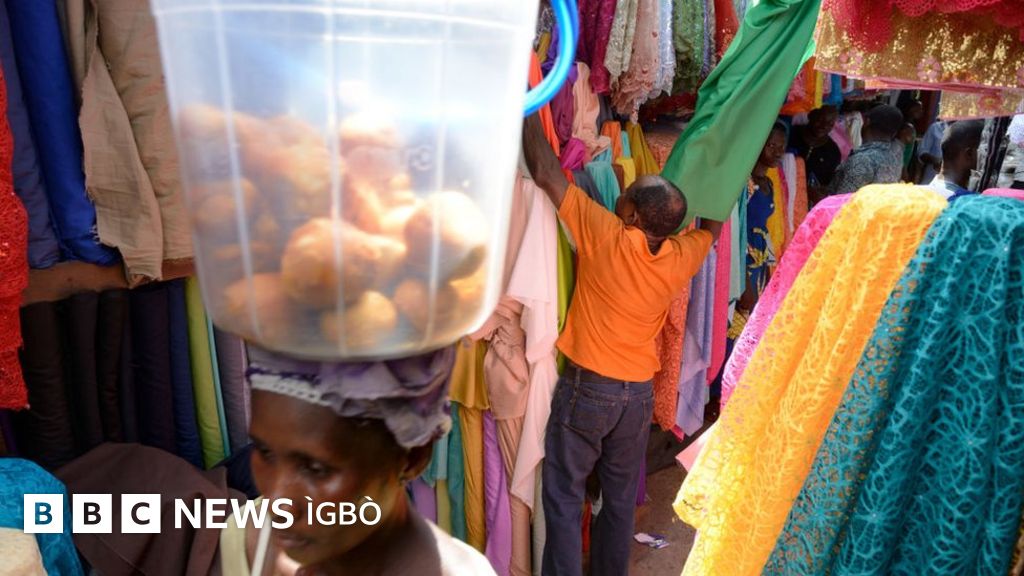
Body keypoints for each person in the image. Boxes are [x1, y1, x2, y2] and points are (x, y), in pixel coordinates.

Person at [521, 113, 721, 576]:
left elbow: (546, 171)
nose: (620, 197)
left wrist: (529, 104)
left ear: (630, 216)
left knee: (564, 496)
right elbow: (711, 229)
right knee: (617, 499)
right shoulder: (681, 254)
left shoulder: (607, 236)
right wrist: (721, 166)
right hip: (637, 396)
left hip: (589, 389)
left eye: (626, 195)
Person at [234, 346, 496, 576]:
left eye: (316, 469)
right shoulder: (248, 535)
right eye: (265, 452)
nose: (277, 504)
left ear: (412, 459)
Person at [827, 105, 905, 196]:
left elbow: (842, 200)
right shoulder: (897, 152)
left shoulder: (862, 160)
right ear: (895, 132)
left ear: (867, 122)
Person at [789, 105, 842, 205]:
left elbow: (826, 184)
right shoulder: (791, 134)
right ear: (811, 116)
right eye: (820, 120)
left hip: (803, 204)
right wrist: (806, 189)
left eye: (830, 124)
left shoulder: (833, 152)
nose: (824, 126)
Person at [926, 120, 984, 200]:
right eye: (984, 150)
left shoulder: (916, 194)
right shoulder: (969, 202)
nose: (985, 156)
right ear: (969, 153)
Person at [918, 118, 950, 184]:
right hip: (930, 180)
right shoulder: (935, 127)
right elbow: (921, 153)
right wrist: (936, 161)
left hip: (951, 183)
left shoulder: (965, 133)